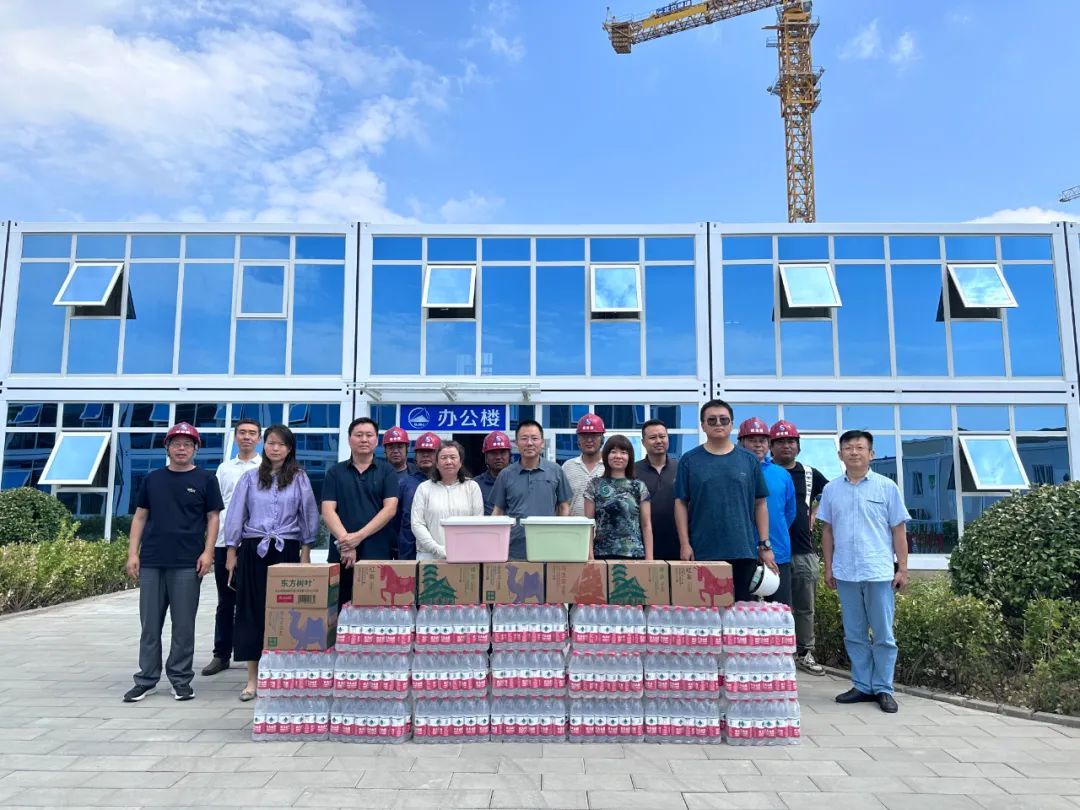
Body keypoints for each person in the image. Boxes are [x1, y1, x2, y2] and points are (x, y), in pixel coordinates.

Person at [123, 423, 223, 703]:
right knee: (149, 624)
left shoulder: (206, 479)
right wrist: (133, 554)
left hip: (187, 563)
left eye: (188, 444)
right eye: (176, 444)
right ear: (167, 448)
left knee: (183, 626)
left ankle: (180, 679)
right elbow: (140, 517)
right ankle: (146, 679)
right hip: (152, 561)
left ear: (195, 449)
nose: (182, 449)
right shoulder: (152, 479)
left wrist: (208, 552)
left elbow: (213, 518)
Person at [817, 429, 911, 714]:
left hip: (878, 571)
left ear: (871, 454)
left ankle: (883, 688)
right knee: (854, 633)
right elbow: (827, 531)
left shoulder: (887, 487)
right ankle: (862, 685)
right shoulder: (831, 490)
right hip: (845, 572)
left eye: (860, 448)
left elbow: (898, 529)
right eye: (848, 448)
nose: (854, 452)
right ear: (840, 454)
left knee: (883, 634)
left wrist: (903, 568)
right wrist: (828, 567)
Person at [224, 425, 319, 701]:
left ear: (289, 449)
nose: (275, 448)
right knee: (251, 611)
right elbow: (236, 514)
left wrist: (305, 551)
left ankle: (283, 675)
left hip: (286, 549)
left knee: (287, 613)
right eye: (270, 443)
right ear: (263, 446)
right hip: (254, 549)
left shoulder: (299, 478)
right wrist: (231, 551)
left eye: (281, 444)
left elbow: (308, 514)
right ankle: (252, 679)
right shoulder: (250, 478)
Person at [673, 400, 776, 602]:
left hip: (743, 550)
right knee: (705, 614)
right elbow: (680, 503)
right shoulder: (689, 460)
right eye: (711, 420)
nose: (718, 424)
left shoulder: (749, 460)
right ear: (703, 425)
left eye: (723, 419)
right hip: (703, 551)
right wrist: (685, 544)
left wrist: (765, 546)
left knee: (741, 614)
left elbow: (760, 504)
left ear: (732, 424)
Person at [201, 418, 261, 678]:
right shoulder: (224, 468)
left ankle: (256, 654)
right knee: (226, 601)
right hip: (225, 542)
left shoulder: (265, 468)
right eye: (242, 432)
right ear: (235, 437)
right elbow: (216, 508)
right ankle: (221, 654)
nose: (247, 437)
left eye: (252, 433)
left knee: (255, 600)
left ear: (259, 438)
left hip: (255, 542)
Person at [770, 419, 829, 675]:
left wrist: (816, 511)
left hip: (803, 550)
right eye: (781, 442)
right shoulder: (765, 471)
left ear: (798, 446)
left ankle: (805, 652)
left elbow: (832, 492)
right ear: (771, 446)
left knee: (805, 606)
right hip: (771, 552)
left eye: (791, 441)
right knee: (773, 606)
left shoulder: (809, 473)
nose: (786, 446)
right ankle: (776, 653)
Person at [320, 417, 400, 607]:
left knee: (375, 609)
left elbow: (390, 509)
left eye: (369, 435)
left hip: (377, 552)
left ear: (376, 440)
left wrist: (358, 537)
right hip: (342, 554)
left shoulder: (387, 471)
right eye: (359, 435)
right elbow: (328, 511)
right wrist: (347, 544)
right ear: (349, 439)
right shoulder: (335, 472)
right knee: (340, 608)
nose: (364, 439)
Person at [491, 419, 573, 560]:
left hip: (549, 546)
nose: (529, 443)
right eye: (524, 438)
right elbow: (498, 512)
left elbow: (564, 507)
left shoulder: (555, 471)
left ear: (542, 442)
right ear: (516, 443)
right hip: (514, 549)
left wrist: (561, 537)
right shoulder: (505, 474)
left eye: (534, 438)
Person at [738, 417, 796, 606]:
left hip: (777, 552)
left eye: (762, 440)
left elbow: (789, 513)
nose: (758, 445)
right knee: (743, 611)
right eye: (752, 440)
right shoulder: (734, 471)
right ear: (741, 442)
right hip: (743, 553)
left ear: (769, 443)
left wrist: (770, 539)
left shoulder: (782, 474)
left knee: (779, 610)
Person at [411, 441, 485, 559]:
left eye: (453, 457)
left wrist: (462, 548)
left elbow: (477, 522)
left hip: (464, 554)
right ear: (436, 463)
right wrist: (437, 549)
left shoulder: (472, 487)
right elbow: (417, 524)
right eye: (444, 458)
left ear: (460, 462)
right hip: (429, 555)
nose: (448, 461)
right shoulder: (424, 488)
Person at [585, 434, 653, 560]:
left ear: (629, 457)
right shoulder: (594, 485)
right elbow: (588, 525)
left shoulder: (639, 486)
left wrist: (650, 560)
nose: (618, 456)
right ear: (606, 455)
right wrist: (590, 557)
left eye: (623, 452)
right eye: (613, 452)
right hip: (602, 554)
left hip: (634, 554)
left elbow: (646, 525)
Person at [634, 419, 679, 560]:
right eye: (653, 437)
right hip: (642, 547)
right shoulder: (633, 471)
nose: (658, 441)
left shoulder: (681, 469)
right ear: (643, 442)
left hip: (677, 545)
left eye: (662, 436)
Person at [397, 432, 440, 560]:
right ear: (415, 456)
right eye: (421, 452)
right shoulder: (404, 484)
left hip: (440, 548)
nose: (425, 455)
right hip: (409, 551)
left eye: (430, 451)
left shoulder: (448, 483)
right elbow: (395, 522)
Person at [562, 413, 606, 516]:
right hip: (574, 525)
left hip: (604, 526)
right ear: (578, 440)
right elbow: (562, 503)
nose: (589, 440)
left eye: (594, 435)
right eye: (584, 436)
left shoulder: (610, 466)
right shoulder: (568, 467)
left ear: (602, 439)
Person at [381, 426, 412, 553]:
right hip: (382, 538)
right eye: (391, 447)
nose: (395, 451)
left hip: (409, 540)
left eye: (399, 447)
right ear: (385, 450)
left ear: (407, 449)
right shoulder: (376, 474)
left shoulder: (417, 474)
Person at [474, 430, 512, 515]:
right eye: (493, 453)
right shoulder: (476, 484)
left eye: (502, 453)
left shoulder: (519, 480)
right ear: (486, 457)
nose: (498, 457)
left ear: (509, 455)